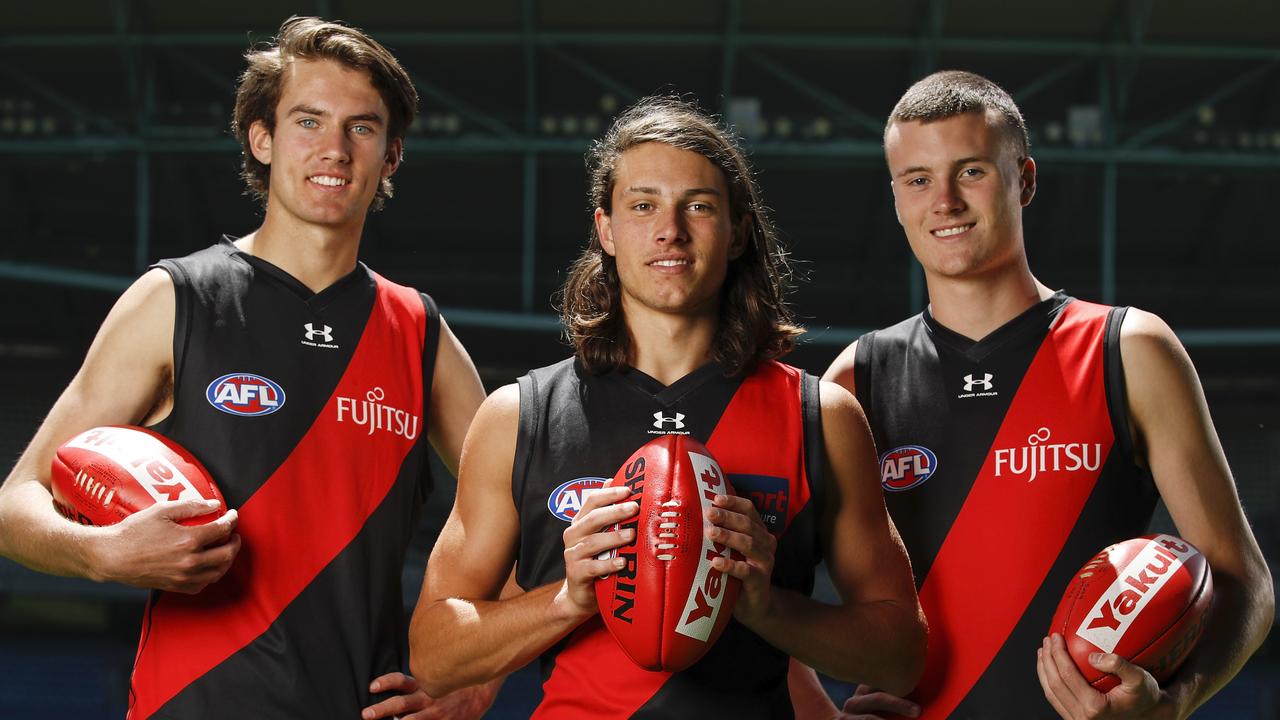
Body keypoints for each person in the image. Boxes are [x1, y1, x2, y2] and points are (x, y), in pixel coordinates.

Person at [0, 16, 500, 720]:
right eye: (308, 121)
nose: (334, 148)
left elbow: (516, 511)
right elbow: (16, 502)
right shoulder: (175, 300)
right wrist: (101, 552)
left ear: (391, 155)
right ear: (262, 139)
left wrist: (484, 670)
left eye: (362, 127)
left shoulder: (419, 332)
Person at [407, 95, 926, 719]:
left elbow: (901, 656)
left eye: (698, 207)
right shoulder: (520, 416)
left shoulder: (821, 416)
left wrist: (766, 607)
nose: (669, 231)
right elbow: (434, 655)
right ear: (606, 229)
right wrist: (570, 600)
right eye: (643, 205)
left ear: (737, 232)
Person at [793, 70, 1274, 719]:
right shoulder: (860, 377)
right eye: (917, 179)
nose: (944, 201)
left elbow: (1247, 584)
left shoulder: (1127, 349)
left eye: (970, 172)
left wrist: (1173, 704)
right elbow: (768, 594)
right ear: (897, 196)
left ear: (1024, 177)